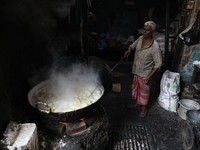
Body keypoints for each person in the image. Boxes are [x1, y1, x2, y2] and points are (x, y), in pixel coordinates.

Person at [124, 21, 162, 117]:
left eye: (147, 30)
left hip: (146, 74)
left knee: (144, 92)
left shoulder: (155, 47)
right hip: (137, 70)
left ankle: (144, 108)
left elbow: (158, 64)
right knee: (137, 89)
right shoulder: (140, 38)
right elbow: (132, 46)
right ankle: (137, 104)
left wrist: (149, 76)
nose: (144, 32)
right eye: (144, 29)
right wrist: (129, 50)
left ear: (153, 32)